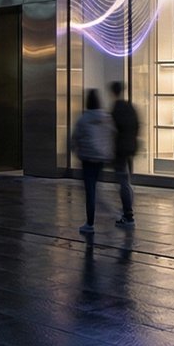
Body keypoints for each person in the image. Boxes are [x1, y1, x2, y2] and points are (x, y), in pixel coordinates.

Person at [70, 89, 115, 235]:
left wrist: (75, 151)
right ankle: (108, 213)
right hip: (101, 158)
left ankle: (90, 222)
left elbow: (75, 138)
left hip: (87, 158)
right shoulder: (106, 118)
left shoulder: (83, 119)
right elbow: (111, 136)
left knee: (90, 191)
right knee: (96, 188)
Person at [109, 80, 139, 228]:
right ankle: (128, 210)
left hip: (120, 149)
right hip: (130, 147)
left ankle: (128, 214)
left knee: (123, 181)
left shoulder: (116, 108)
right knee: (126, 180)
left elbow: (112, 130)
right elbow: (137, 125)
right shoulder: (129, 107)